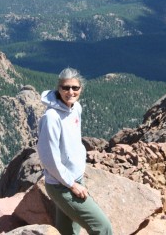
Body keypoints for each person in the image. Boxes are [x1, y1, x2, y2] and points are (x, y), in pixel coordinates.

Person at [36, 67, 113, 235]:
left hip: (74, 179)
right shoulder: (51, 118)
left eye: (75, 88)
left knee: (68, 232)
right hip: (62, 185)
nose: (70, 92)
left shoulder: (76, 108)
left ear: (81, 89)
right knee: (103, 228)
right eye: (65, 87)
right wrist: (72, 185)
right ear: (59, 88)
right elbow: (49, 160)